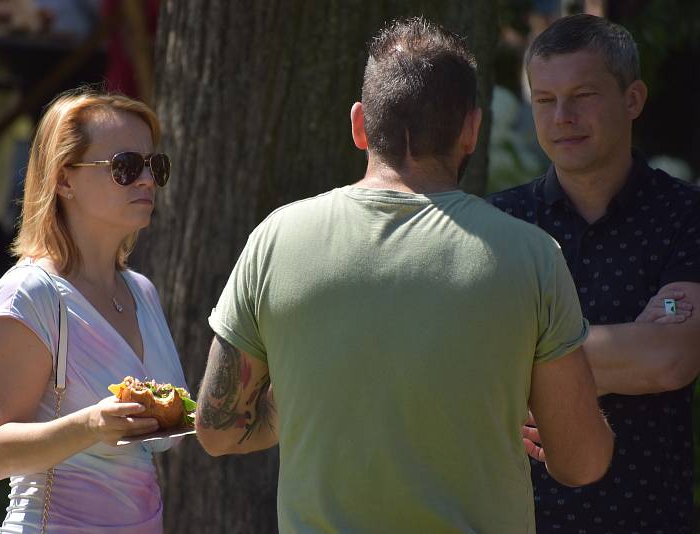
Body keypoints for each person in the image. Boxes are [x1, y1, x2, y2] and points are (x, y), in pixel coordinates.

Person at [195, 17, 613, 533]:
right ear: (472, 129)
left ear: (359, 124)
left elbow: (217, 430)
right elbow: (581, 461)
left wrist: (308, 387)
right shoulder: (533, 257)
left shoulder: (275, 239)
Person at [487, 14, 700, 533]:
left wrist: (521, 365)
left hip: (650, 519)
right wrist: (625, 350)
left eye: (583, 95)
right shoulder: (497, 225)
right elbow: (460, 365)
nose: (562, 116)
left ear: (632, 100)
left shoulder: (685, 215)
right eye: (545, 100)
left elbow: (670, 358)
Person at [0, 88, 186, 533]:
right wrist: (90, 425)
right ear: (64, 179)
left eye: (154, 166)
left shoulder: (141, 290)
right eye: (126, 166)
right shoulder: (28, 294)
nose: (146, 179)